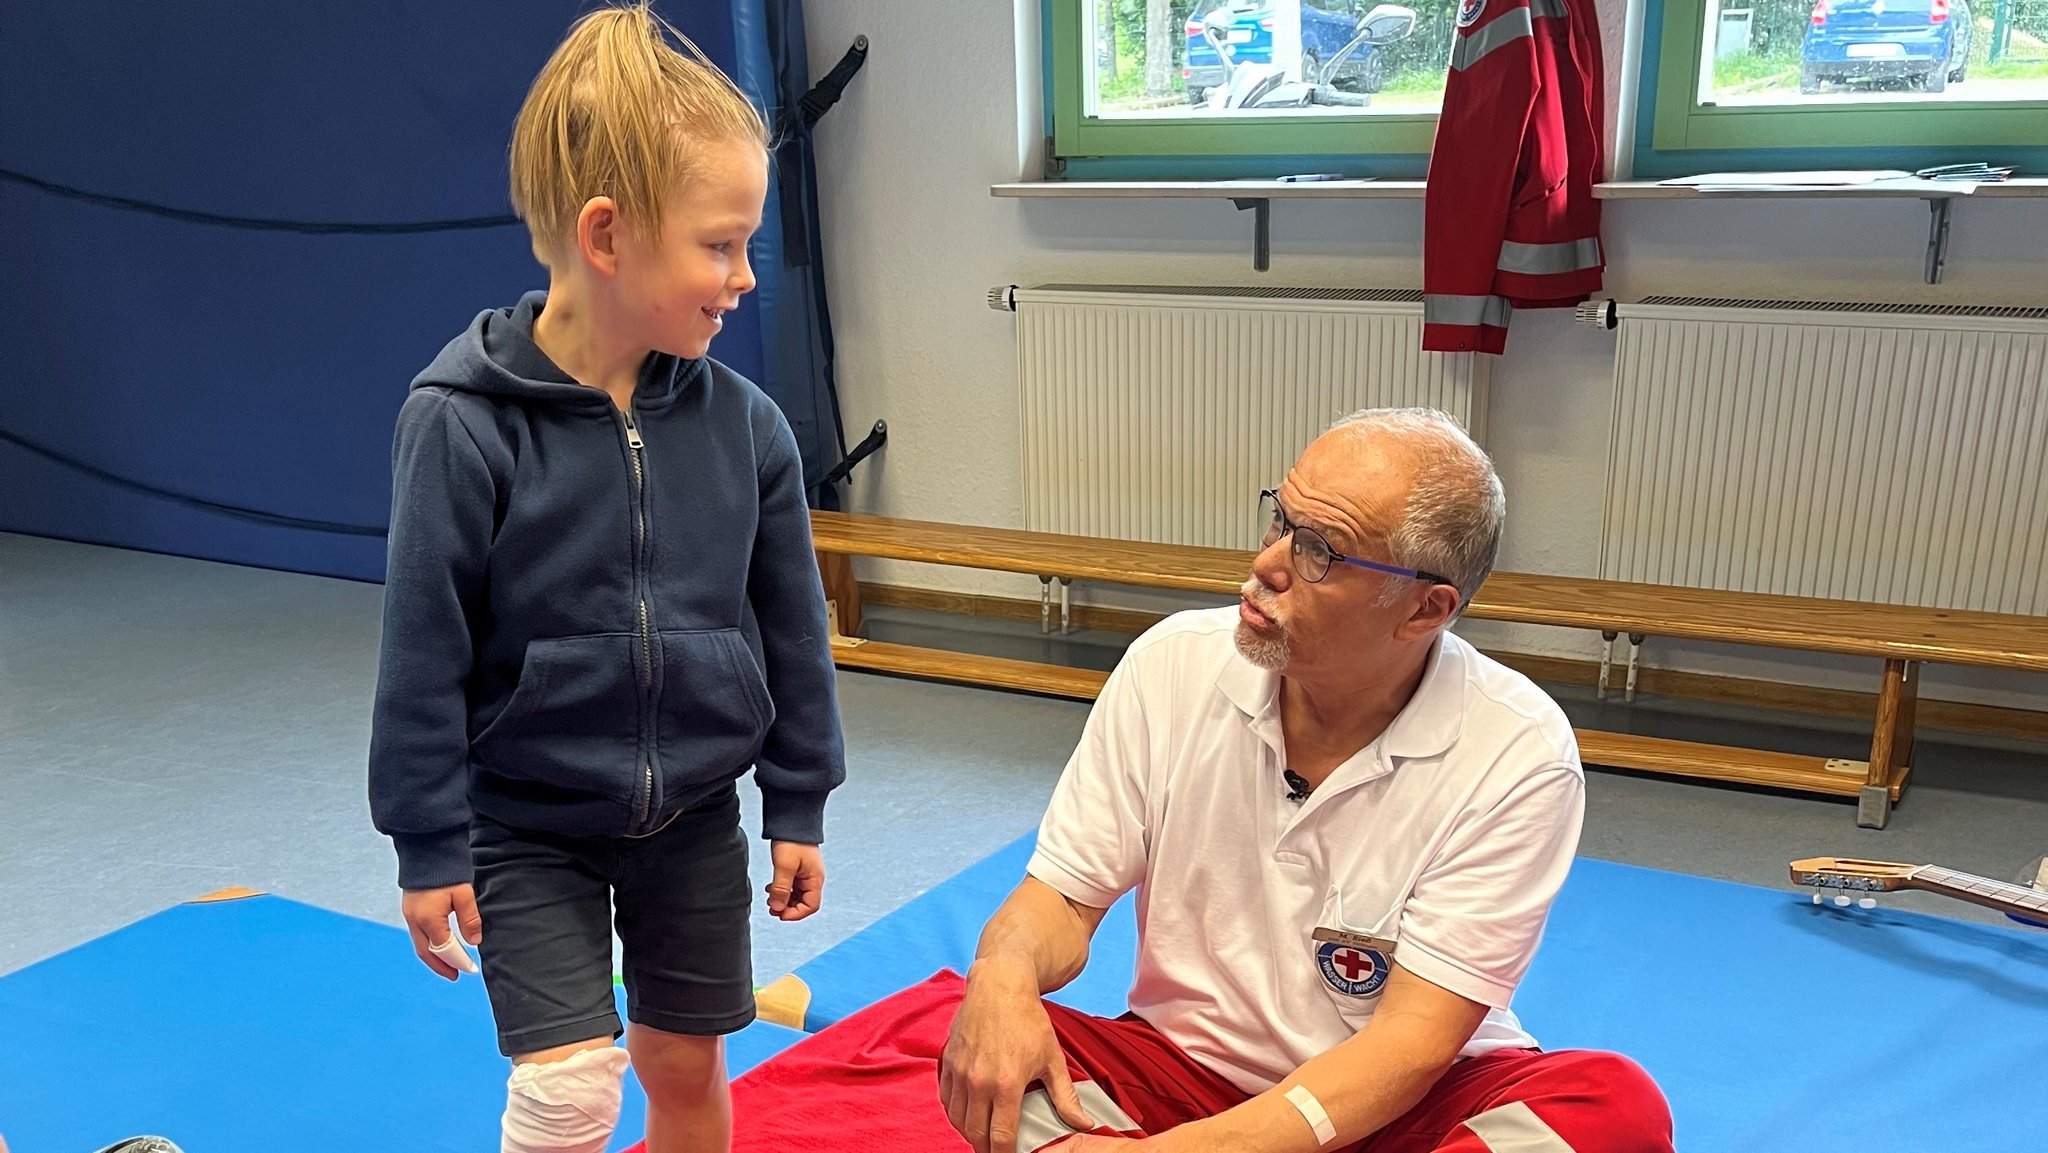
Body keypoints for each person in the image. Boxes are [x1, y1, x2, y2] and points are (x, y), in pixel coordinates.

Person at [935, 407, 1671, 1152]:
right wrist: (1001, 971)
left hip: (1397, 1107)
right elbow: (1062, 897)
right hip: (1184, 1071)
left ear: (1425, 608)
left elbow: (1412, 1044)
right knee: (964, 1036)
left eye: (1319, 550)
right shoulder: (1173, 663)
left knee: (1613, 1106)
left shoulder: (1518, 750)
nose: (1269, 563)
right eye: (1280, 520)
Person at [366, 6, 845, 1152]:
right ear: (606, 234)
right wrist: (425, 843)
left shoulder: (749, 426)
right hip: (525, 823)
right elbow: (422, 649)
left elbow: (791, 626)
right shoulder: (462, 425)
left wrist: (797, 800)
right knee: (573, 1085)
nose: (742, 276)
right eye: (720, 245)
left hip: (688, 818)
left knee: (685, 1065)